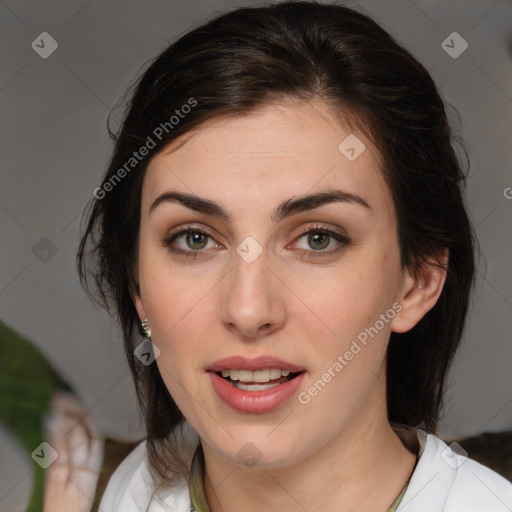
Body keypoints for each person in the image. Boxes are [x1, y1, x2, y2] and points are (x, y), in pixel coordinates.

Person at [77, 2, 512, 511]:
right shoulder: (127, 492)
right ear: (137, 287)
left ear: (417, 280)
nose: (248, 310)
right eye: (195, 239)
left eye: (318, 239)